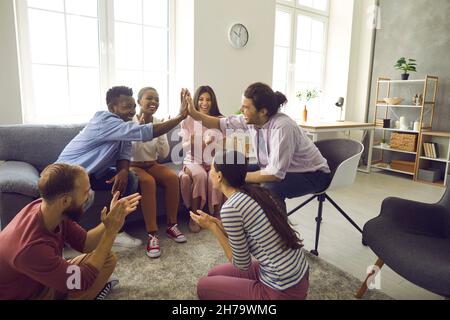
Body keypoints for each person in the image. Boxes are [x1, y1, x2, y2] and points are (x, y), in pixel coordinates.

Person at [57, 86, 188, 248]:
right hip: (67, 173)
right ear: (112, 108)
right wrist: (180, 117)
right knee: (83, 197)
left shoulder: (124, 127)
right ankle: (62, 237)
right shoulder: (105, 120)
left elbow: (125, 155)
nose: (132, 111)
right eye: (127, 107)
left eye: (133, 106)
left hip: (93, 172)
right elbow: (145, 133)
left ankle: (117, 233)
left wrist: (123, 171)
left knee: (130, 178)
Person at [0, 163, 142, 300]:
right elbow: (82, 281)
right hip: (29, 295)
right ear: (66, 201)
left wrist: (110, 219)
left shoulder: (50, 209)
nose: (89, 196)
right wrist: (112, 232)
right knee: (86, 279)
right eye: (86, 192)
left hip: (42, 280)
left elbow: (85, 243)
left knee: (106, 257)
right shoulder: (30, 248)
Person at [184, 82, 331, 206]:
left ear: (263, 111)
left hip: (312, 175)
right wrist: (193, 113)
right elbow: (219, 122)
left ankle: (280, 235)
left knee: (271, 188)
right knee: (228, 165)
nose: (242, 110)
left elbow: (275, 174)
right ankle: (247, 219)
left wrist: (239, 176)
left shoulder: (282, 127)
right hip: (276, 168)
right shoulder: (250, 119)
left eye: (246, 107)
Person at [191, 151, 309, 300]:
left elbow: (241, 264)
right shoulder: (256, 191)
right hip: (297, 275)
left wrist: (213, 228)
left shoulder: (231, 208)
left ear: (219, 176)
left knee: (204, 286)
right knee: (214, 274)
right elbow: (245, 234)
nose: (210, 172)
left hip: (282, 290)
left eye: (212, 169)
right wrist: (216, 222)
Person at [130, 87, 186, 258]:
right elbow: (129, 150)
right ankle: (152, 234)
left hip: (152, 163)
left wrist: (161, 134)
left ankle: (172, 225)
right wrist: (140, 128)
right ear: (139, 102)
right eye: (149, 98)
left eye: (156, 99)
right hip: (134, 165)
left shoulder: (159, 122)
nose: (153, 102)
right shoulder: (130, 122)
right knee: (148, 182)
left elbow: (163, 154)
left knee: (171, 178)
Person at [179, 86, 224, 233]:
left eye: (208, 99)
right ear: (196, 102)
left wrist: (214, 143)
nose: (205, 103)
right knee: (200, 175)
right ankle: (195, 215)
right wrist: (191, 142)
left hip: (212, 161)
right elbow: (184, 146)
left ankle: (217, 215)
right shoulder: (188, 120)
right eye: (201, 99)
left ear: (213, 101)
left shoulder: (219, 120)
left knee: (216, 177)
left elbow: (224, 148)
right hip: (193, 160)